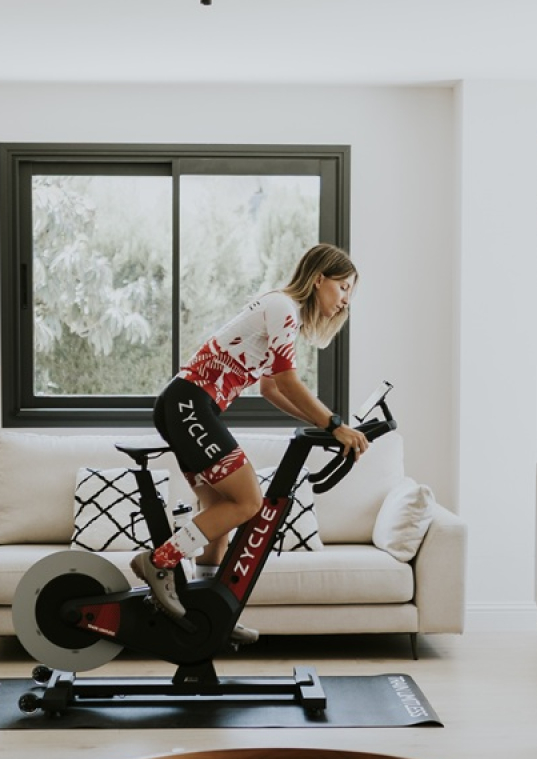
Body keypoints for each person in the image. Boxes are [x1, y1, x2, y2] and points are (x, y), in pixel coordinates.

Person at [132, 243, 369, 644]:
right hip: (190, 403)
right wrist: (334, 424)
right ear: (318, 279)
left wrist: (323, 427)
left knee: (221, 512)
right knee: (247, 502)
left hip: (187, 405)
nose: (346, 300)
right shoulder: (284, 307)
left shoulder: (283, 311)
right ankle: (159, 562)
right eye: (343, 287)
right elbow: (289, 381)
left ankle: (208, 607)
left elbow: (271, 388)